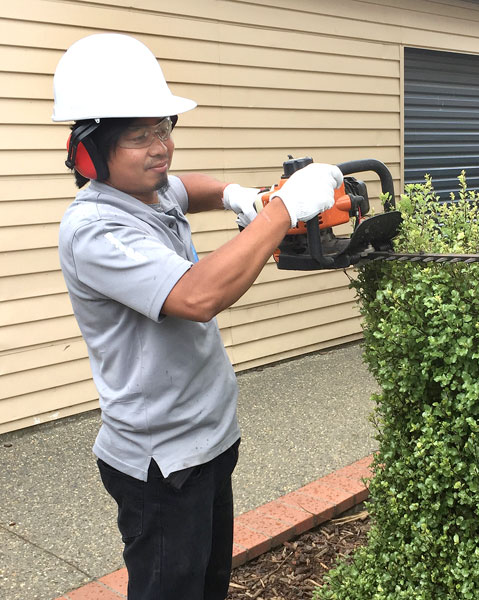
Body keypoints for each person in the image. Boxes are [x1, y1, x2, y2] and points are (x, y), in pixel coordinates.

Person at [52, 33, 342, 600]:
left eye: (165, 128)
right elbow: (197, 296)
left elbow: (190, 189)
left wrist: (244, 196)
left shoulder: (150, 192)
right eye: (140, 135)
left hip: (207, 440)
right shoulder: (94, 230)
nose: (161, 147)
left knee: (208, 584)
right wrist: (283, 210)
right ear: (88, 150)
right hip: (162, 464)